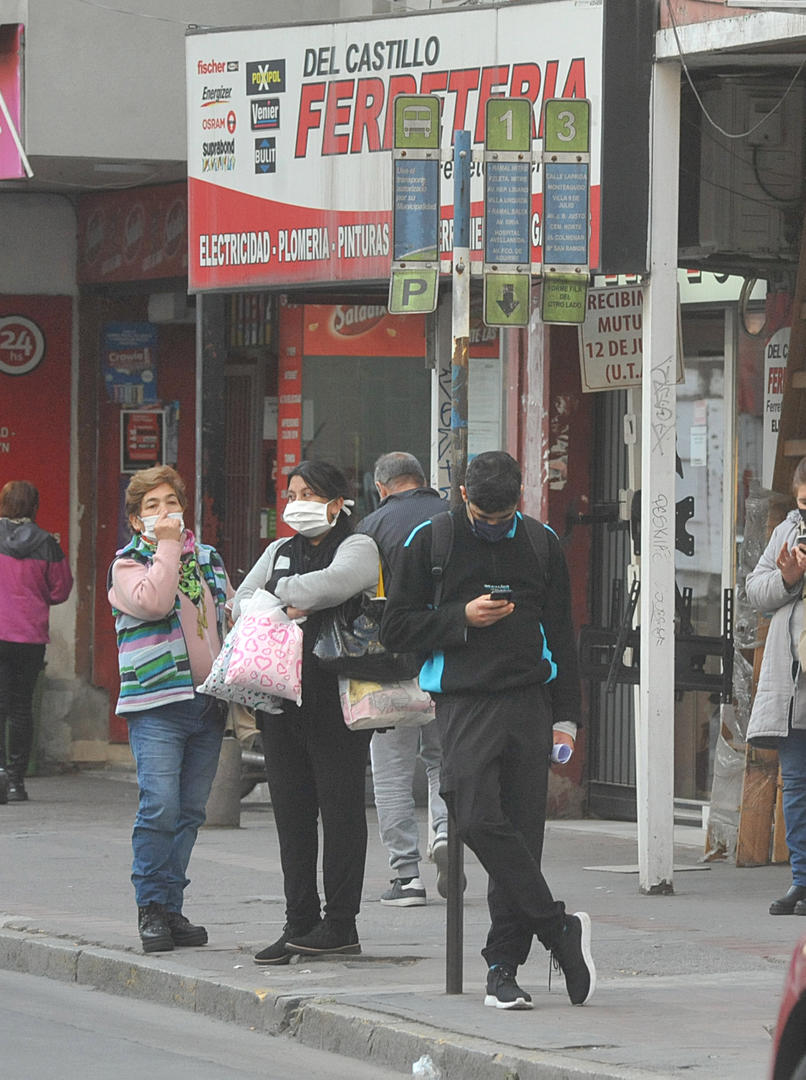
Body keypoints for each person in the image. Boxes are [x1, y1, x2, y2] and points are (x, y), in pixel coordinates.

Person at [381, 450, 595, 1010]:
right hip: (464, 701)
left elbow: (561, 635)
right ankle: (558, 927)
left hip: (529, 699)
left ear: (518, 501)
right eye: (483, 517)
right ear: (462, 496)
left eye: (503, 520)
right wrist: (460, 619)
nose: (493, 529)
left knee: (523, 838)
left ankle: (503, 968)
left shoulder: (542, 543)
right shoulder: (432, 539)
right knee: (474, 815)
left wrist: (567, 717)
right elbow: (396, 627)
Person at [234, 460, 379, 964]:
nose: (295, 502)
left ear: (336, 503)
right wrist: (286, 599)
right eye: (291, 492)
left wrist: (282, 596)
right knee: (291, 816)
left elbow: (333, 585)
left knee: (340, 814)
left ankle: (341, 923)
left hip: (335, 701)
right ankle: (300, 922)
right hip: (280, 701)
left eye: (307, 494)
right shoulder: (278, 550)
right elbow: (239, 601)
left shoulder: (358, 545)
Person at [108, 465, 233, 954]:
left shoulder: (206, 559)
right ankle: (150, 907)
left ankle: (171, 905)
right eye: (151, 506)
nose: (164, 512)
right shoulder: (127, 566)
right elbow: (157, 602)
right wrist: (165, 546)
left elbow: (225, 616)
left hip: (207, 703)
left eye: (170, 503)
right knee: (159, 805)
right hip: (157, 704)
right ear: (137, 521)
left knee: (188, 812)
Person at [357, 451, 451, 906]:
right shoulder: (455, 518)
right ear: (422, 479)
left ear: (382, 486)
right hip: (450, 664)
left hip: (389, 668)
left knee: (391, 772)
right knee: (442, 759)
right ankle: (446, 833)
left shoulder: (371, 528)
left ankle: (407, 878)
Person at [746, 457, 806, 916]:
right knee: (797, 786)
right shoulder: (786, 532)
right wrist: (788, 577)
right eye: (802, 503)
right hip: (792, 682)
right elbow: (756, 590)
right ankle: (802, 881)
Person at [0, 481, 73, 803]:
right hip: (29, 636)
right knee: (20, 707)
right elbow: (60, 590)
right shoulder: (47, 544)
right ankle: (16, 782)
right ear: (34, 506)